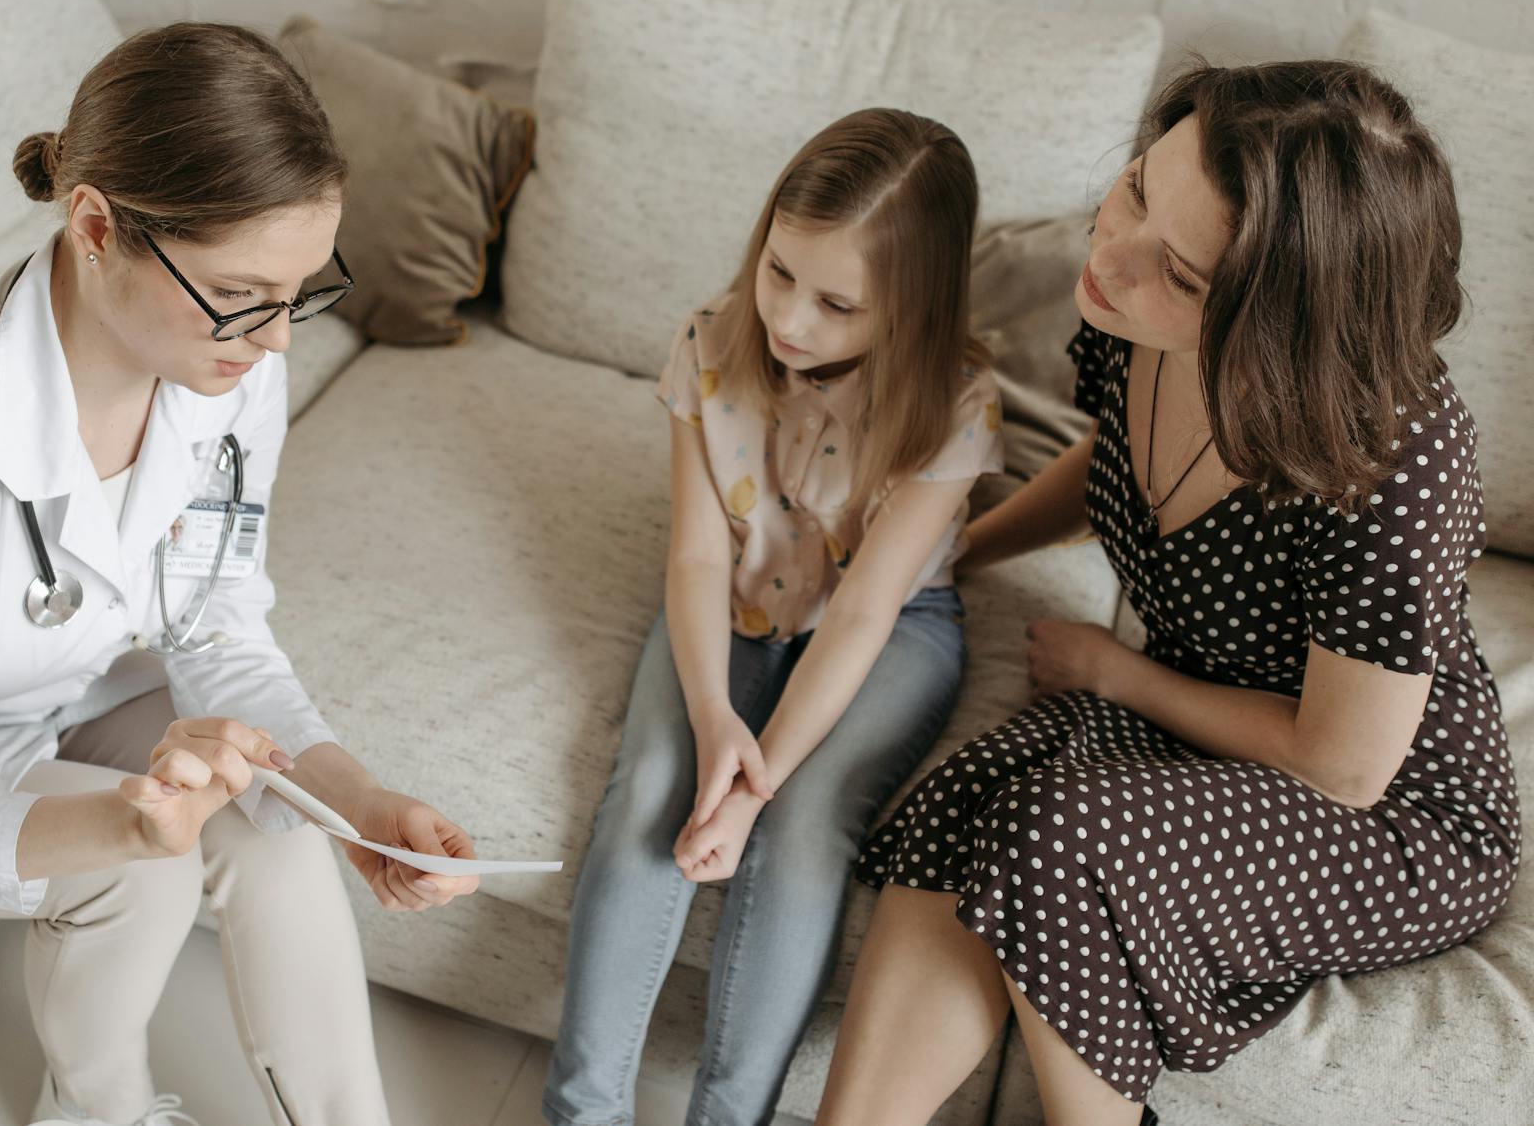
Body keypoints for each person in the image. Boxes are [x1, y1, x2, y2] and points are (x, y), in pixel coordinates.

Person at [0, 22, 482, 1126]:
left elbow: (213, 625)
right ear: (97, 225)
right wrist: (130, 823)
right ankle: (96, 1110)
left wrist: (359, 803)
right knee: (143, 858)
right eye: (242, 292)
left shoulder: (229, 365)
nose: (278, 340)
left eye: (300, 291)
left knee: (283, 821)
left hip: (59, 686)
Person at [818, 60, 1521, 1126]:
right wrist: (952, 549)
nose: (1112, 253)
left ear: (1278, 326)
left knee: (1056, 828)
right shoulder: (1125, 302)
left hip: (1392, 815)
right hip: (1201, 732)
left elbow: (1345, 763)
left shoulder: (1395, 454)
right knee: (974, 799)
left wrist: (1116, 671)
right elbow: (1115, 460)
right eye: (1139, 188)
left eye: (1184, 277)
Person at [544, 109, 1006, 1126]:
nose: (793, 318)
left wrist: (759, 780)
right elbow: (700, 554)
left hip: (889, 628)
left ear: (911, 310)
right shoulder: (711, 345)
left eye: (838, 303)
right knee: (651, 787)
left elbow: (866, 611)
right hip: (737, 597)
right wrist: (715, 718)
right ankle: (580, 1114)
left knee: (800, 827)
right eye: (780, 272)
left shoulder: (957, 406)